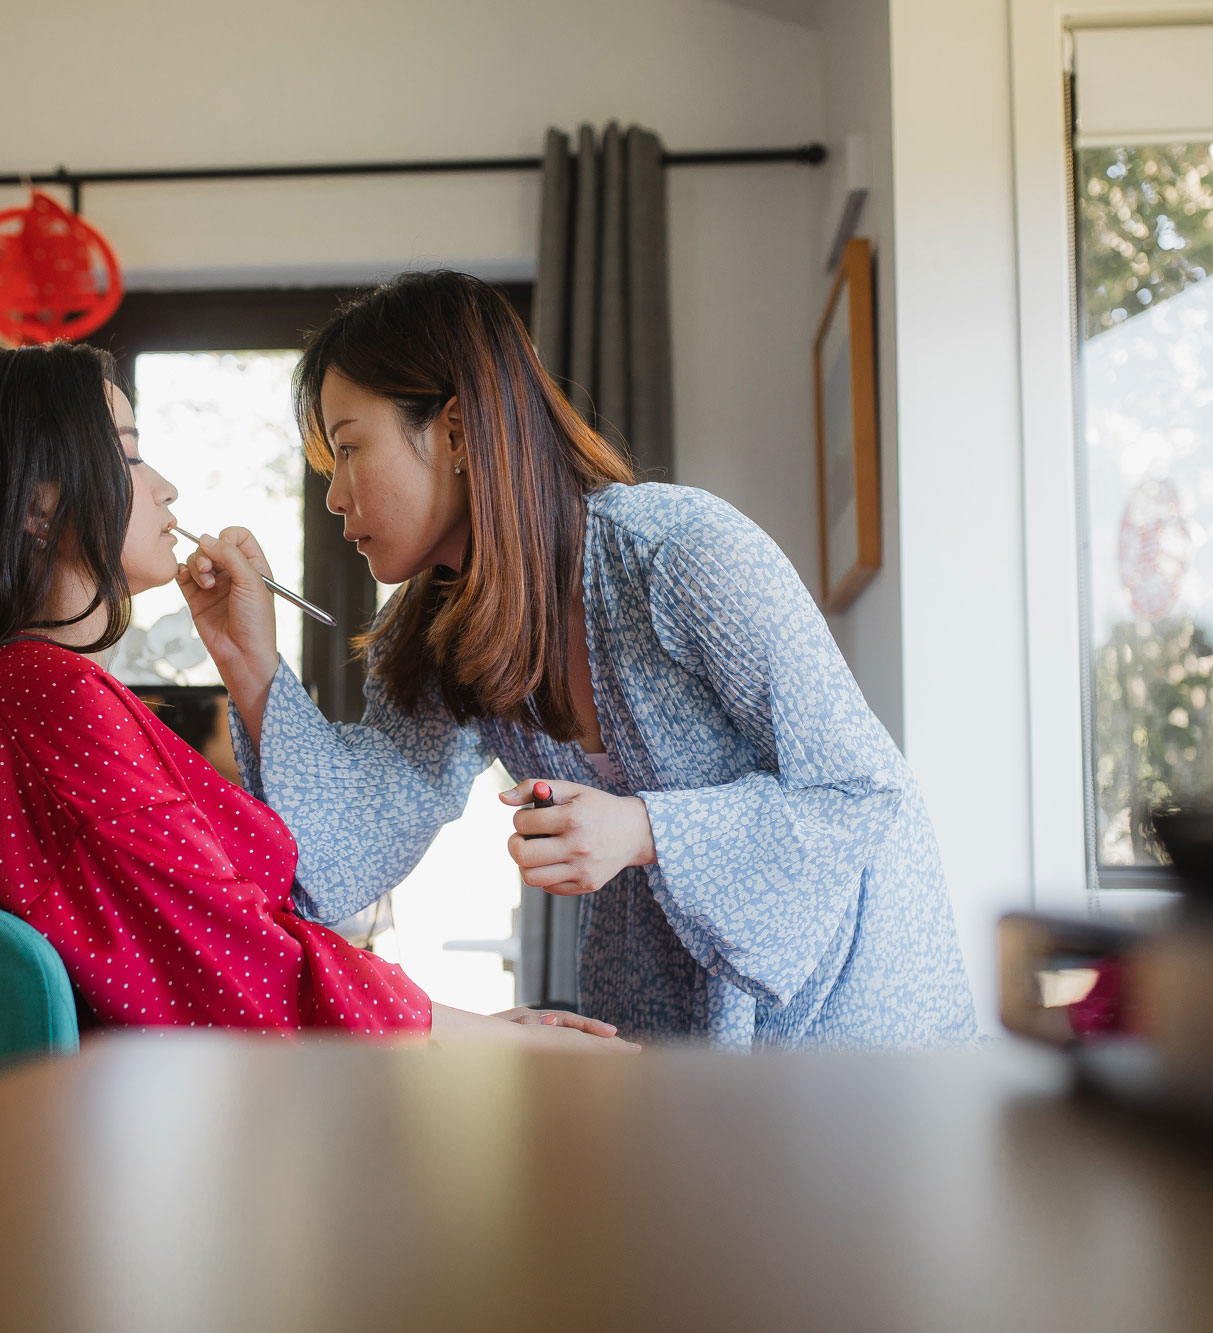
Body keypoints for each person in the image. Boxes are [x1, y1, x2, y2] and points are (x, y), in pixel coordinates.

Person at [179, 271, 977, 1049]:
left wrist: (643, 828)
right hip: (677, 1016)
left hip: (858, 1002)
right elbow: (343, 852)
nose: (334, 497)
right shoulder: (428, 633)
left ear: (455, 431)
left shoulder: (677, 552)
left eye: (350, 451)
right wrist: (250, 663)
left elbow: (859, 785)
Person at [0, 342, 632, 1049]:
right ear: (40, 504)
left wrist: (250, 663)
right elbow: (242, 963)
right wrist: (483, 1039)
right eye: (129, 458)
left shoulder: (24, 691)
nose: (166, 488)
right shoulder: (45, 698)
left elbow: (247, 919)